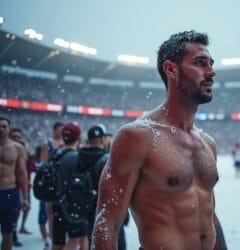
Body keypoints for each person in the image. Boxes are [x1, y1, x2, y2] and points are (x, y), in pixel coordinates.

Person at [92, 30, 226, 250]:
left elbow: (209, 215)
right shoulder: (138, 137)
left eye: (211, 63)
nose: (211, 72)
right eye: (200, 63)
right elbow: (107, 223)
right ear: (171, 69)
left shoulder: (207, 143)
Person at [77, 124, 127, 249]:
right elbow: (117, 192)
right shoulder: (107, 160)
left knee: (93, 244)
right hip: (108, 214)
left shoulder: (78, 157)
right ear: (102, 139)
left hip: (87, 212)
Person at [51, 122, 88, 250]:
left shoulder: (55, 154)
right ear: (78, 137)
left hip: (56, 203)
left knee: (57, 243)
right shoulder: (77, 157)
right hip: (73, 205)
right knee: (75, 240)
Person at [0, 116, 29, 250]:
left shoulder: (17, 148)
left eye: (4, 126)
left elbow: (23, 174)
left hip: (9, 193)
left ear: (8, 128)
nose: (1, 129)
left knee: (8, 232)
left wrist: (25, 198)